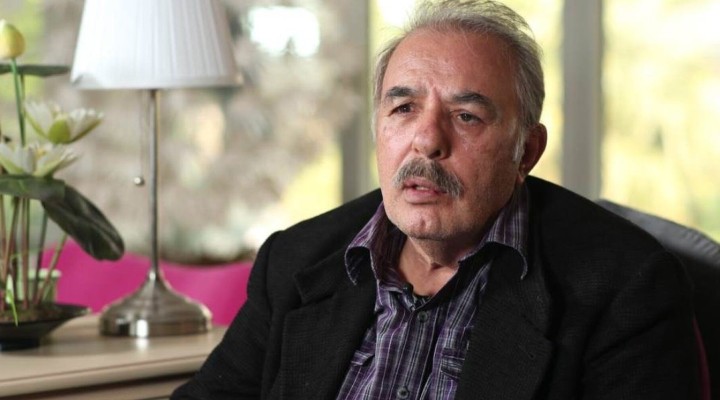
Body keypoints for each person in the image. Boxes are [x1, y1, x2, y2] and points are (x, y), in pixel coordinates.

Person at [172, 0, 701, 399]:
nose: (426, 140)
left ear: (526, 152)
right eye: (403, 109)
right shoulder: (294, 260)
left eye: (466, 116)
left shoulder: (626, 287)